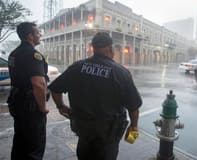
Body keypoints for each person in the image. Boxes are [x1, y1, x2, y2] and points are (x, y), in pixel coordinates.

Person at [48, 32, 142, 160]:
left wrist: (61, 106)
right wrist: (134, 126)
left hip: (83, 130)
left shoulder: (77, 67)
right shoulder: (121, 73)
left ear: (93, 47)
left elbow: (55, 89)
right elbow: (133, 106)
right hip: (107, 135)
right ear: (110, 48)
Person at [7, 22, 49, 160]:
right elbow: (39, 84)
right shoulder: (33, 55)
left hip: (16, 102)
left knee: (20, 141)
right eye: (37, 33)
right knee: (34, 146)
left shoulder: (14, 53)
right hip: (30, 107)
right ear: (30, 36)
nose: (40, 35)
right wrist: (42, 108)